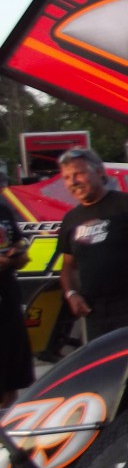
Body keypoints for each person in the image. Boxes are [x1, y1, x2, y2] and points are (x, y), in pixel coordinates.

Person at [55, 148, 128, 341]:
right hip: (95, 315)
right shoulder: (71, 219)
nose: (73, 182)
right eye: (67, 177)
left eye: (79, 174)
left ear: (99, 172)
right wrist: (71, 294)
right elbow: (68, 266)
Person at [0, 170, 34, 408]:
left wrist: (18, 255)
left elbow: (19, 244)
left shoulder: (3, 210)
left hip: (8, 303)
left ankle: (6, 426)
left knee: (10, 380)